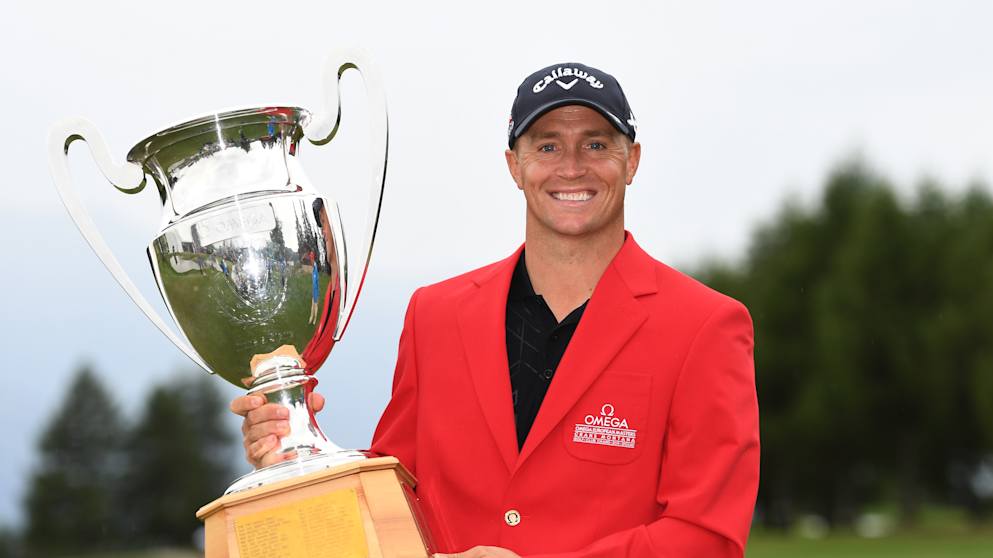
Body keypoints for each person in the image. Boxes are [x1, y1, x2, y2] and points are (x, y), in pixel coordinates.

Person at [232, 62, 760, 557]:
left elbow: (707, 537)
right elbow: (401, 493)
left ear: (632, 161)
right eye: (547, 146)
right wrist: (294, 457)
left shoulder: (704, 326)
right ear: (515, 165)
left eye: (596, 144)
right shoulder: (434, 316)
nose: (572, 167)